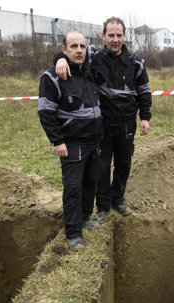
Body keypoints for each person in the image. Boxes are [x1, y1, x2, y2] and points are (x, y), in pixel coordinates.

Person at [55, 17, 152, 222]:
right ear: (103, 36)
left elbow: (144, 91)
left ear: (124, 37)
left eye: (119, 35)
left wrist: (145, 117)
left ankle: (118, 199)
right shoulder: (93, 58)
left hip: (127, 125)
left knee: (124, 164)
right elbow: (72, 53)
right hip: (102, 126)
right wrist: (59, 59)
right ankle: (103, 206)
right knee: (101, 167)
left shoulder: (136, 63)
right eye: (111, 35)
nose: (115, 39)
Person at [38, 31, 102, 250]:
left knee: (90, 182)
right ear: (64, 50)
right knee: (73, 188)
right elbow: (46, 112)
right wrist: (58, 141)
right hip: (72, 144)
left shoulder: (88, 72)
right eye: (73, 46)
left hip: (94, 141)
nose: (79, 50)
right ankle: (73, 233)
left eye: (82, 46)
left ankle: (85, 217)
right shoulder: (53, 77)